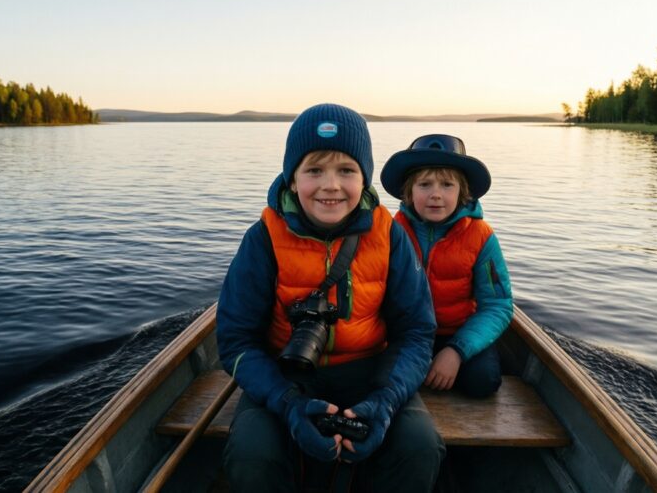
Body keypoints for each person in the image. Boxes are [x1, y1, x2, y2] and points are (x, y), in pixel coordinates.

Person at [217, 103, 444, 492]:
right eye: (314, 170)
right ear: (292, 179)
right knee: (252, 456)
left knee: (420, 447)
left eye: (346, 171)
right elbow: (236, 341)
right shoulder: (262, 239)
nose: (331, 185)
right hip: (282, 374)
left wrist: (387, 401)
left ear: (364, 178)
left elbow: (417, 332)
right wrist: (286, 402)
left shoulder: (389, 235)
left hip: (373, 373)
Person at [380, 134, 513, 398]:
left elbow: (498, 305)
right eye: (425, 184)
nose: (436, 195)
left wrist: (456, 351)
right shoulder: (389, 231)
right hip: (404, 333)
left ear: (462, 192)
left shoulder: (481, 236)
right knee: (376, 377)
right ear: (408, 192)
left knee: (483, 382)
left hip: (458, 332)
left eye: (447, 185)